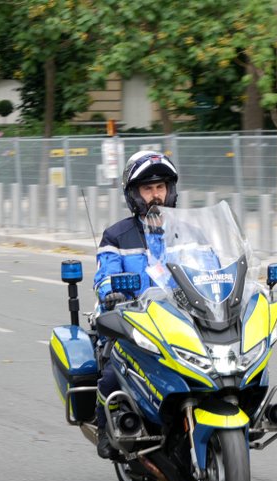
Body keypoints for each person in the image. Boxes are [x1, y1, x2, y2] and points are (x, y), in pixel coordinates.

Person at [92, 150, 179, 459]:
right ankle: (107, 427)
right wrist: (111, 292)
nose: (156, 195)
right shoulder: (116, 235)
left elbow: (213, 269)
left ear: (170, 190)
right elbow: (104, 276)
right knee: (116, 372)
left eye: (160, 187)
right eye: (148, 188)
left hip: (182, 320)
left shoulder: (188, 232)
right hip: (134, 321)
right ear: (134, 194)